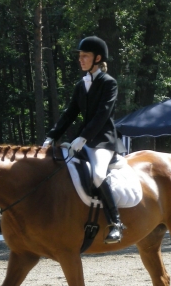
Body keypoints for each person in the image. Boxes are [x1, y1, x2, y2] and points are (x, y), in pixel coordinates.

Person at [42, 36, 126, 244]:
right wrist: (52, 135)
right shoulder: (82, 85)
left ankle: (115, 223)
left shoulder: (109, 83)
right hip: (83, 139)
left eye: (85, 56)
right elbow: (70, 113)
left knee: (97, 175)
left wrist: (84, 137)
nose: (80, 60)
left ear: (97, 58)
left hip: (102, 141)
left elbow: (103, 114)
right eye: (80, 56)